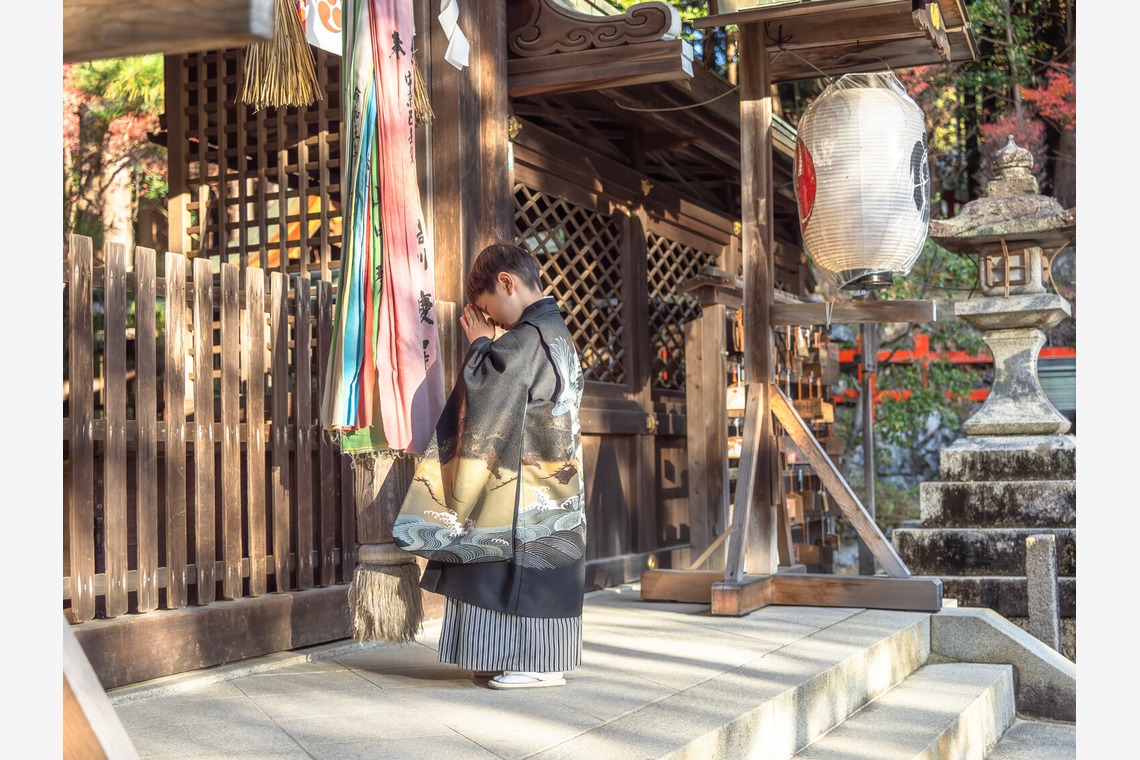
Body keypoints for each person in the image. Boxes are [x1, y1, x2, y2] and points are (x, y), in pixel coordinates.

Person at [392, 241, 586, 689]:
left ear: (507, 282)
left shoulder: (530, 338)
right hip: (552, 482)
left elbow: (490, 389)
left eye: (487, 307)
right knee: (532, 566)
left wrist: (481, 345)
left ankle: (535, 663)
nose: (491, 318)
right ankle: (534, 659)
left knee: (512, 564)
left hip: (529, 484)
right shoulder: (553, 334)